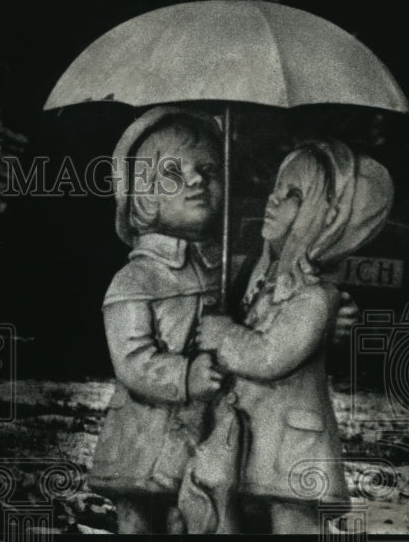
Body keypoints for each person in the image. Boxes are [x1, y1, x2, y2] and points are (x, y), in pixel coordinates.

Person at [194, 139, 393, 533]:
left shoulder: (315, 296)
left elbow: (269, 357)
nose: (273, 199)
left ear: (327, 218)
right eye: (277, 188)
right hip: (255, 443)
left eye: (294, 195)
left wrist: (223, 334)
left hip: (294, 452)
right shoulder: (260, 276)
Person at [89, 106, 227, 534]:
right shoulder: (136, 279)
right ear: (143, 195)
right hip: (144, 438)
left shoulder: (226, 270)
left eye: (208, 168)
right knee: (141, 522)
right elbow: (131, 361)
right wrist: (185, 376)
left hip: (206, 434)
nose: (197, 180)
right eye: (173, 173)